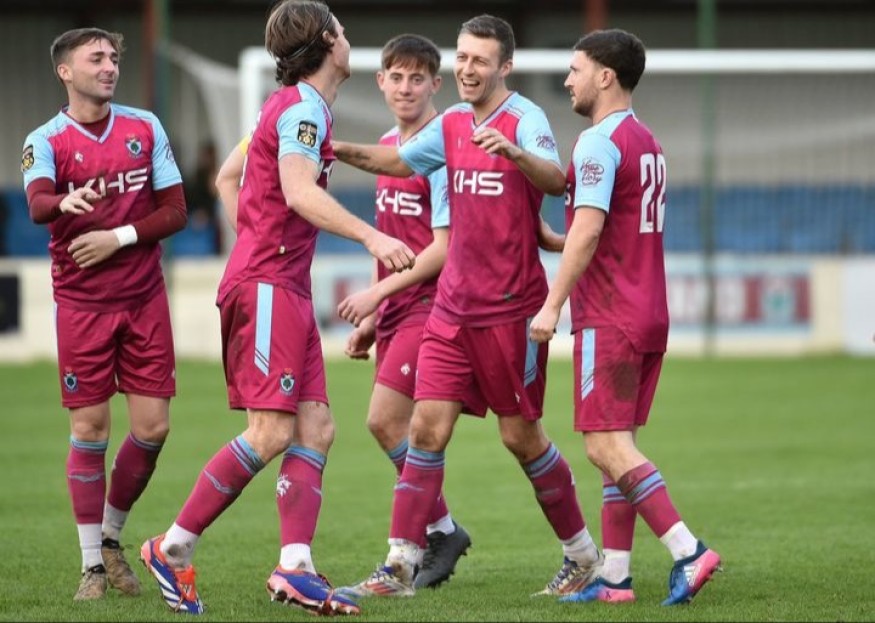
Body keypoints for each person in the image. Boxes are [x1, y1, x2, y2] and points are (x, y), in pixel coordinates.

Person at [139, 0, 414, 616]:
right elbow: (296, 191)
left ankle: (295, 567)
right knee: (269, 433)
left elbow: (228, 176)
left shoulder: (289, 105)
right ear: (326, 42)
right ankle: (172, 548)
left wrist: (253, 241)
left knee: (316, 429)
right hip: (268, 287)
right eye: (341, 28)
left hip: (280, 284)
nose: (348, 36)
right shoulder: (302, 109)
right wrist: (370, 237)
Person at [332, 14, 600, 598]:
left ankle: (582, 555)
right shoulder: (452, 122)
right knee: (424, 429)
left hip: (511, 310)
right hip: (451, 310)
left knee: (521, 437)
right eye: (461, 57)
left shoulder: (525, 119)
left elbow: (556, 181)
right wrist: (331, 148)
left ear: (505, 66)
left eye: (480, 60)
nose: (467, 69)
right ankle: (399, 565)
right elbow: (397, 162)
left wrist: (515, 153)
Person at [528, 29, 722, 606]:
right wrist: (555, 239)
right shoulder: (646, 140)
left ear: (605, 76)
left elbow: (590, 233)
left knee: (603, 446)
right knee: (618, 446)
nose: (568, 80)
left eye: (576, 69)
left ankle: (688, 550)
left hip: (610, 314)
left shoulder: (597, 142)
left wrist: (552, 303)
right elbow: (607, 228)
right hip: (648, 311)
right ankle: (615, 578)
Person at [20, 27, 187, 601]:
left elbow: (176, 210)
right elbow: (38, 203)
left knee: (153, 427)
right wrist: (61, 201)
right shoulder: (45, 139)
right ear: (65, 71)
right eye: (96, 58)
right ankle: (92, 564)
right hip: (82, 306)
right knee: (90, 429)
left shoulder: (145, 127)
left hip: (144, 299)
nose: (110, 66)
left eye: (114, 57)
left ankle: (112, 537)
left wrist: (118, 237)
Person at [335, 33, 471, 593]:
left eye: (418, 78)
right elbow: (392, 239)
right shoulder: (390, 145)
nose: (406, 87)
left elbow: (443, 247)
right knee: (392, 425)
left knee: (387, 421)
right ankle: (443, 530)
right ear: (381, 82)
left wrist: (376, 296)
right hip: (397, 306)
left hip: (432, 304)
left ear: (436, 84)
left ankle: (412, 550)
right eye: (397, 77)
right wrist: (374, 316)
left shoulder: (439, 151)